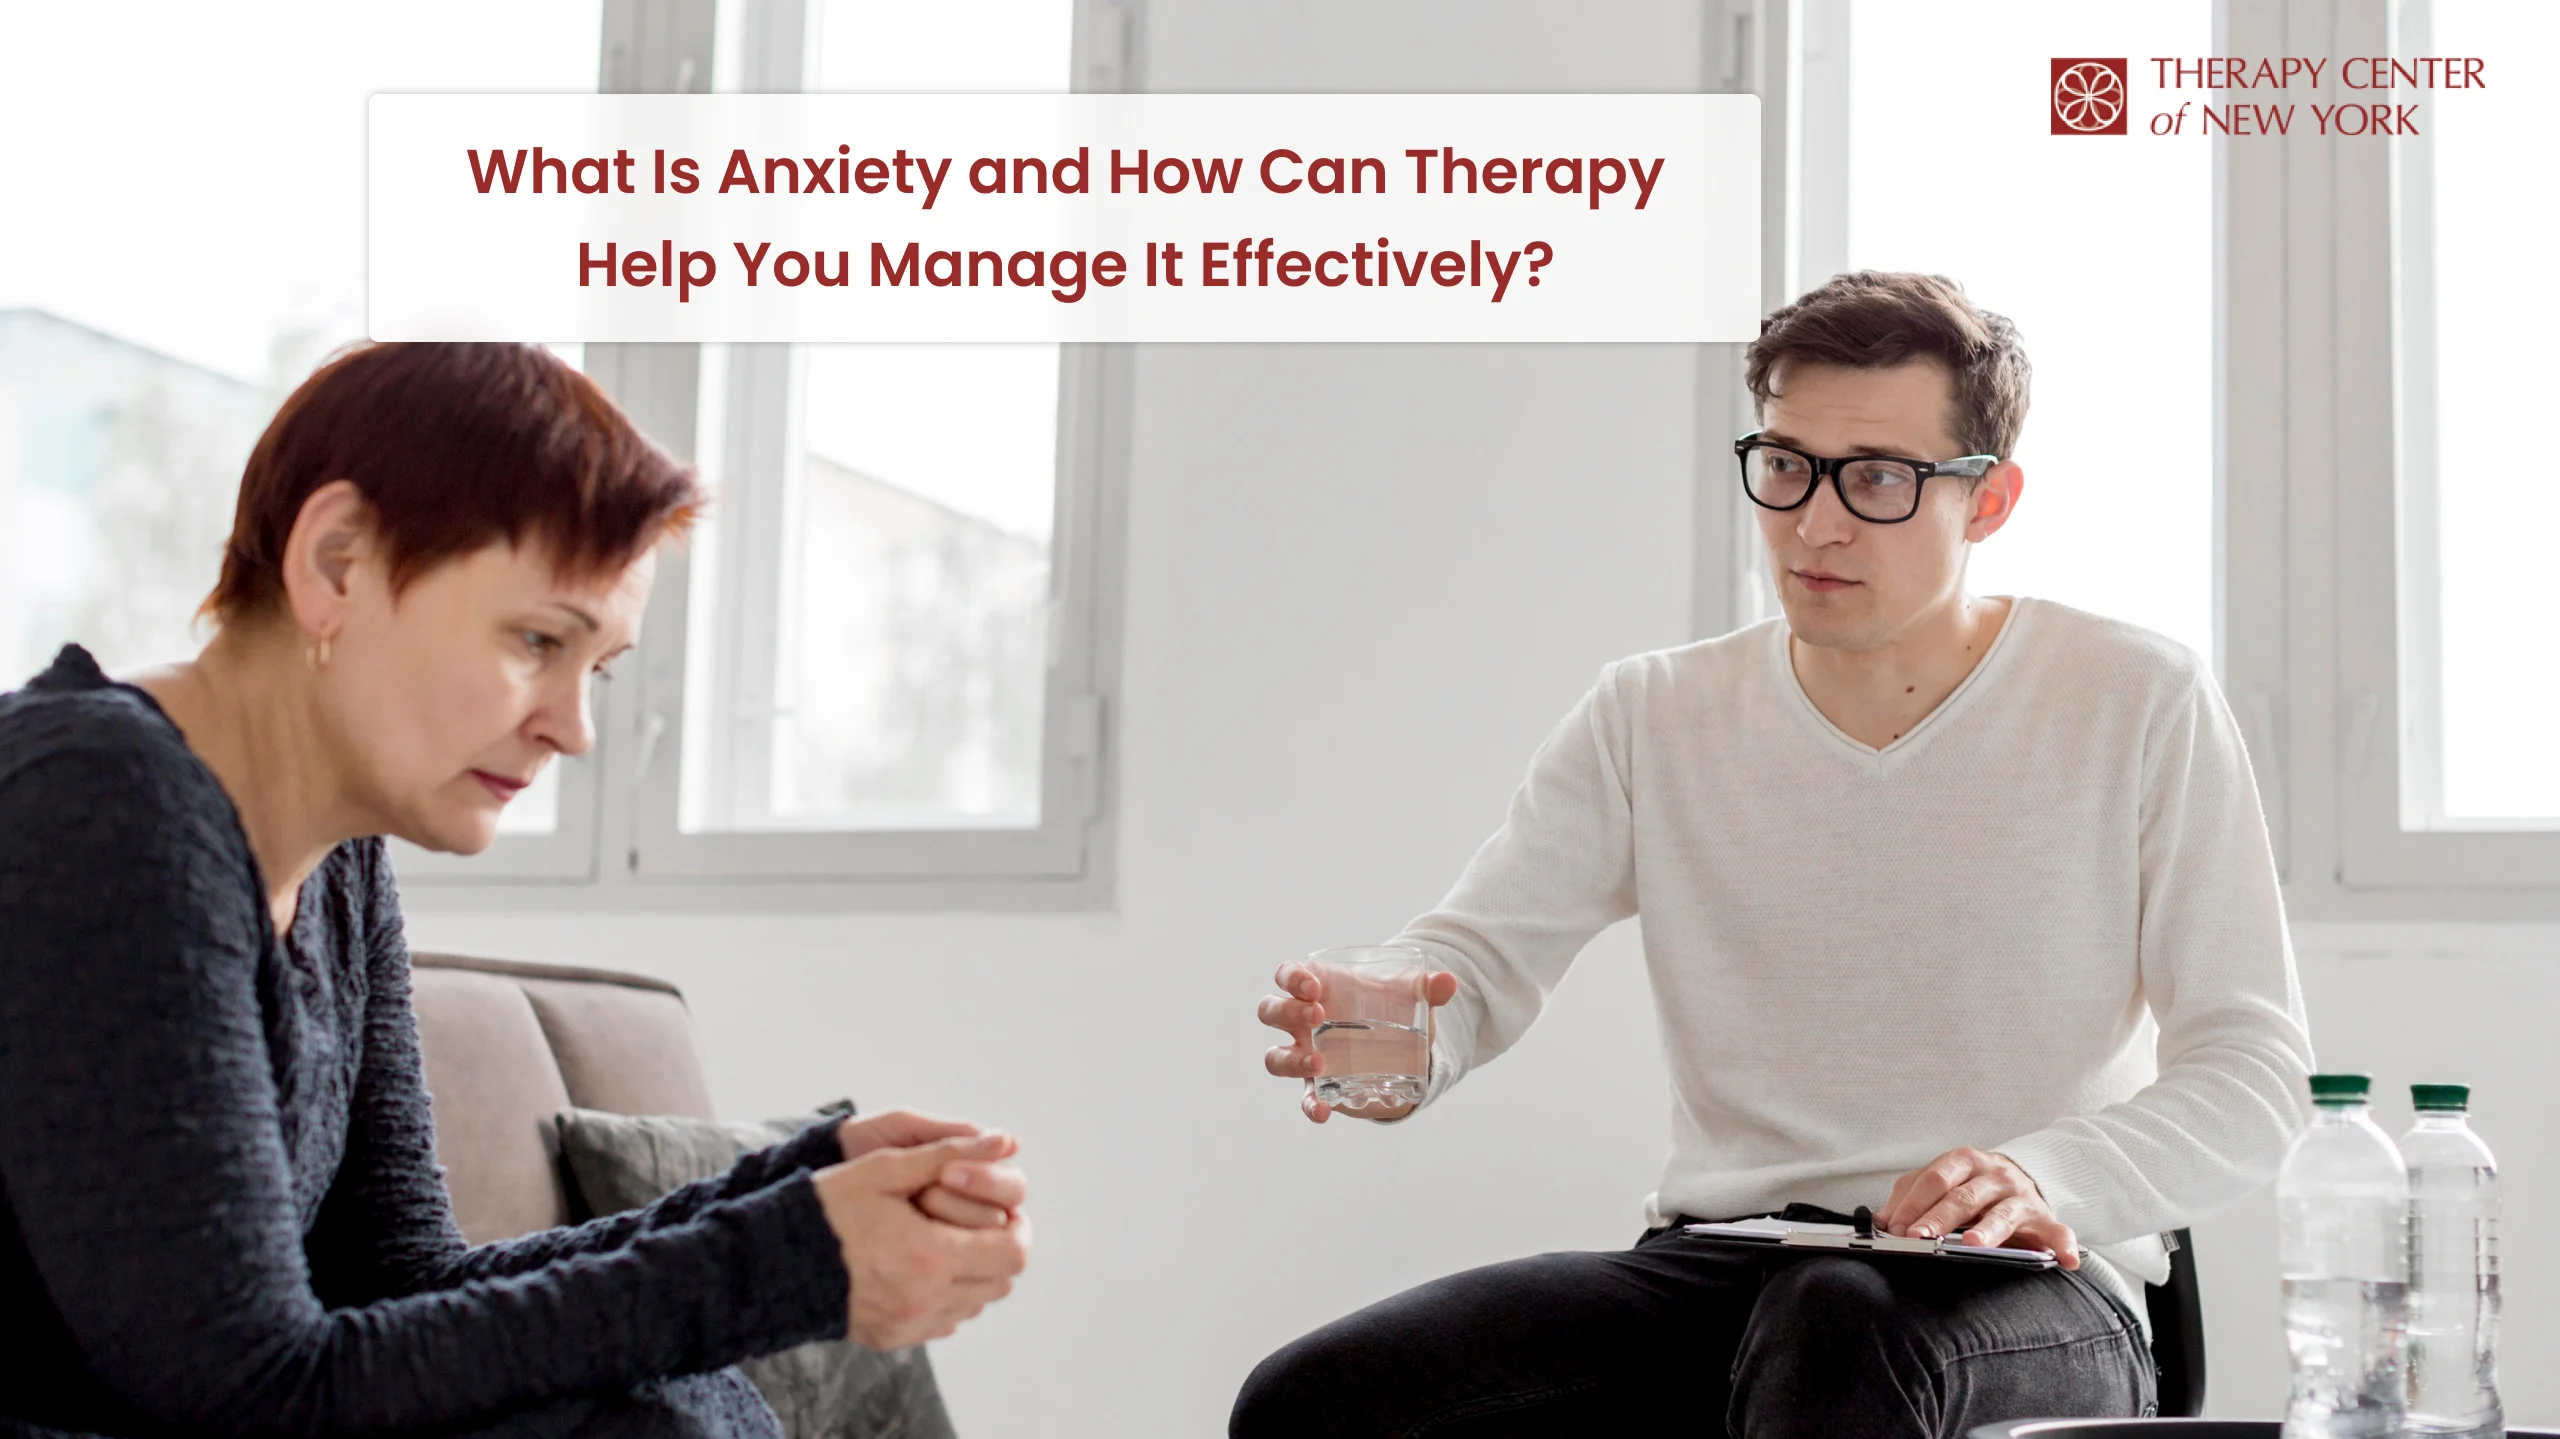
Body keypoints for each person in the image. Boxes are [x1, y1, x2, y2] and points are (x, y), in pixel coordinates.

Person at [1238, 272, 2314, 1438]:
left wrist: (2043, 1174)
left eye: (1879, 478)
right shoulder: (1651, 713)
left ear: (1988, 500)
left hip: (2027, 1286)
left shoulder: (2132, 698)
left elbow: (2253, 1070)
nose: (1817, 520)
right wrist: (1393, 1022)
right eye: (1788, 463)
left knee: (1837, 1325)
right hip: (1727, 1262)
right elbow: (1473, 962)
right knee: (1316, 1402)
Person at [0, 343, 1033, 1438]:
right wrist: (778, 1263)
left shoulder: (338, 862)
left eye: (596, 668)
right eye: (538, 639)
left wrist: (782, 1192)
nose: (572, 728)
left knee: (657, 1401)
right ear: (337, 560)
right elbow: (247, 1383)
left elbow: (403, 1280)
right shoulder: (95, 799)